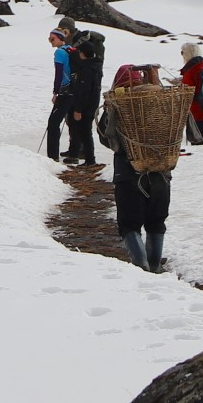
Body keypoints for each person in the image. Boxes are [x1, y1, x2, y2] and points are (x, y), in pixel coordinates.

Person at [97, 63, 173, 273]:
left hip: (128, 173)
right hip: (161, 172)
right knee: (156, 223)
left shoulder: (119, 104)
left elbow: (106, 138)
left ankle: (142, 268)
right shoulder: (160, 102)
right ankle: (155, 267)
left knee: (129, 224)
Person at [62, 27, 104, 166]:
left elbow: (84, 91)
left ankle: (90, 160)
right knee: (84, 131)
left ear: (84, 53)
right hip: (92, 104)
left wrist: (78, 109)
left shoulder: (86, 70)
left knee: (84, 132)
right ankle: (85, 157)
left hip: (85, 107)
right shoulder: (96, 66)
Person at [43, 25, 74, 160]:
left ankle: (52, 156)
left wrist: (56, 92)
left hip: (64, 92)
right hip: (74, 90)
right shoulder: (71, 49)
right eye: (49, 39)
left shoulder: (59, 53)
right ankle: (74, 153)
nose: (51, 42)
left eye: (52, 39)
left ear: (60, 38)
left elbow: (59, 74)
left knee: (53, 123)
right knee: (73, 122)